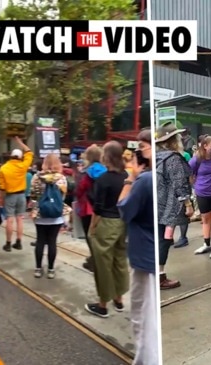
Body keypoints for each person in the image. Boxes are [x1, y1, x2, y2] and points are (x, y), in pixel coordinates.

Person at [117, 129, 157, 365]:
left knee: (144, 316)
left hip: (143, 255)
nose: (139, 153)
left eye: (142, 147)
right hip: (148, 254)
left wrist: (130, 177)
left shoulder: (144, 180)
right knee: (145, 315)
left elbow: (124, 208)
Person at [85, 141, 129, 318]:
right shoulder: (125, 175)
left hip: (106, 223)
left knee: (103, 264)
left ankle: (103, 305)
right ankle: (119, 299)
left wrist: (92, 227)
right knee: (119, 260)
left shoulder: (103, 179)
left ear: (107, 157)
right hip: (122, 222)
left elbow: (98, 208)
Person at [157, 121, 193, 289]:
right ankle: (160, 276)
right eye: (178, 136)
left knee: (159, 239)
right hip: (168, 209)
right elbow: (180, 183)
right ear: (172, 141)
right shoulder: (173, 159)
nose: (180, 138)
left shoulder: (156, 157)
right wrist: (187, 204)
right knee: (165, 241)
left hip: (157, 206)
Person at [29, 154, 68, 279]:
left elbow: (33, 196)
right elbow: (63, 197)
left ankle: (38, 269)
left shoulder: (37, 177)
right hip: (56, 214)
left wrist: (36, 205)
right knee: (52, 242)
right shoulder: (61, 178)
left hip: (41, 213)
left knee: (40, 241)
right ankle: (51, 270)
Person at [0, 136, 34, 252]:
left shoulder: (3, 168)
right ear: (20, 157)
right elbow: (29, 152)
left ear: (11, 156)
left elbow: (1, 188)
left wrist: (1, 200)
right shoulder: (23, 166)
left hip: (10, 196)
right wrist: (20, 142)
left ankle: (8, 243)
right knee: (20, 219)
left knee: (9, 219)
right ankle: (18, 242)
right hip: (22, 195)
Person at [75, 145, 106, 272]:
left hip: (87, 208)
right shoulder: (106, 170)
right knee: (100, 236)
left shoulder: (86, 173)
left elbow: (79, 190)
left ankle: (94, 261)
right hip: (103, 208)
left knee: (90, 236)